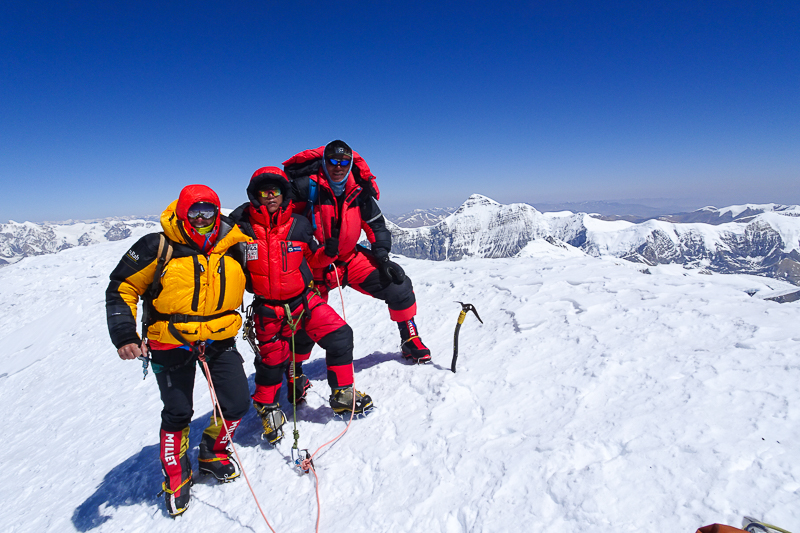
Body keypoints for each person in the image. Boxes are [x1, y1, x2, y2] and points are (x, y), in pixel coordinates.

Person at [105, 184, 252, 517]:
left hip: (219, 338)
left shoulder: (233, 244)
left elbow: (261, 276)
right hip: (168, 339)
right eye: (194, 212)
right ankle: (176, 474)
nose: (201, 219)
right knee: (178, 411)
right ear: (183, 213)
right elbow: (122, 287)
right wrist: (125, 334)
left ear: (218, 212)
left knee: (237, 402)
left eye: (208, 211)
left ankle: (212, 452)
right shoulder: (157, 246)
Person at [230, 166, 373, 444]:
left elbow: (311, 259)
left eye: (276, 190)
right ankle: (267, 407)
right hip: (267, 309)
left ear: (284, 194)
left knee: (340, 335)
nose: (270, 196)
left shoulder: (298, 225)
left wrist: (326, 253)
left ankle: (343, 393)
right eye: (264, 191)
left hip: (303, 301)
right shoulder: (241, 227)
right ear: (255, 195)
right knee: (272, 362)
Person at [282, 140, 431, 381]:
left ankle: (410, 336)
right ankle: (294, 370)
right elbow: (282, 219)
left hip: (349, 259)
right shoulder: (305, 188)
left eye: (343, 162)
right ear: (324, 162)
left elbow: (376, 225)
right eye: (332, 161)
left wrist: (382, 256)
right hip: (315, 264)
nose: (338, 167)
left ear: (350, 164)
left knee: (398, 286)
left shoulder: (358, 191)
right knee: (304, 316)